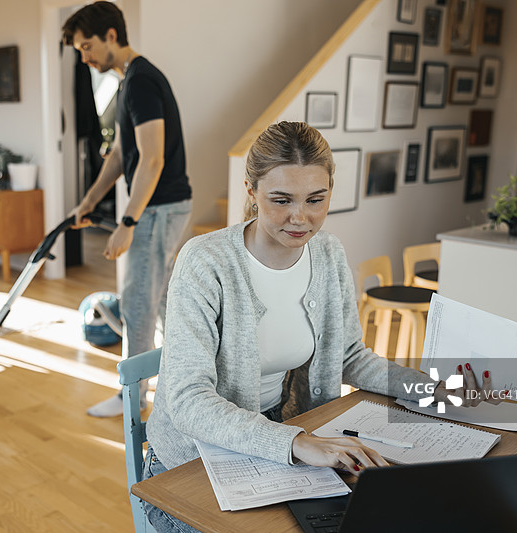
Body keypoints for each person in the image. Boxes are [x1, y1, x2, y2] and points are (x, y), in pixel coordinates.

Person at [143, 122, 498, 532]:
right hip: (193, 459)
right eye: (281, 200)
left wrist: (427, 389)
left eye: (316, 199)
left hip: (281, 430)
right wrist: (295, 443)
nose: (301, 218)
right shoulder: (205, 262)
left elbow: (350, 356)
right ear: (250, 190)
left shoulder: (328, 253)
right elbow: (188, 400)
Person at [62, 2, 192, 417]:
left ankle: (131, 402)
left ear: (111, 36)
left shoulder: (140, 82)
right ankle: (185, 392)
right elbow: (121, 154)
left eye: (87, 46)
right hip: (165, 206)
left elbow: (152, 160)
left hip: (156, 209)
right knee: (167, 306)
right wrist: (88, 200)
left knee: (138, 306)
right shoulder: (128, 83)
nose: (84, 57)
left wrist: (128, 221)